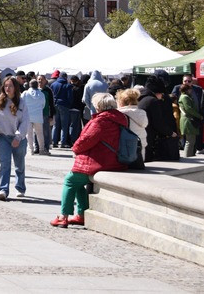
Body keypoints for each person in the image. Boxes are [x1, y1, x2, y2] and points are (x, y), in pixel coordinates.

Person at [51, 93, 129, 227]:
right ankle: (81, 214)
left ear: (99, 106)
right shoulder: (120, 119)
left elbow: (86, 140)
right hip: (114, 160)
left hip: (98, 161)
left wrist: (74, 148)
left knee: (70, 180)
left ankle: (63, 216)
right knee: (79, 183)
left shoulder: (100, 121)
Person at [0, 76, 28, 200]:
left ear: (15, 88)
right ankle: (3, 189)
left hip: (18, 138)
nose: (8, 88)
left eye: (11, 86)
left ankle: (20, 187)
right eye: (6, 86)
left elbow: (25, 121)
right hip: (3, 136)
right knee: (4, 164)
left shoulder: (22, 103)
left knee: (19, 164)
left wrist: (18, 137)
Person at [138, 76, 177, 161]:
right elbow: (158, 123)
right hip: (148, 138)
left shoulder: (141, 98)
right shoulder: (153, 101)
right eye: (161, 93)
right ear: (157, 92)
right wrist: (171, 133)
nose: (162, 95)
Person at [116, 87, 149, 160]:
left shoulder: (119, 114)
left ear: (121, 102)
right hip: (140, 145)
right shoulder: (142, 113)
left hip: (125, 147)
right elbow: (145, 125)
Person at [22, 79, 48, 155]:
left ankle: (31, 150)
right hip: (38, 116)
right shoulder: (41, 94)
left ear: (29, 85)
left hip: (28, 116)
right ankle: (42, 149)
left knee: (29, 134)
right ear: (37, 85)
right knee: (39, 133)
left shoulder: (25, 93)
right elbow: (43, 105)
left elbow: (21, 103)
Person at [50, 70, 73, 148]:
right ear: (66, 77)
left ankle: (54, 141)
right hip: (64, 106)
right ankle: (63, 142)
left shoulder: (53, 84)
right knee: (64, 125)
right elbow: (70, 97)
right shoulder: (68, 85)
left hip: (55, 105)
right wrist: (69, 105)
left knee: (55, 125)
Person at [178, 82, 201, 157]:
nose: (191, 90)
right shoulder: (185, 97)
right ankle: (188, 157)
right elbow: (189, 109)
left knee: (191, 141)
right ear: (187, 90)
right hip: (188, 120)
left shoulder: (184, 96)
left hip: (188, 120)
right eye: (190, 89)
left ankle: (190, 155)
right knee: (190, 141)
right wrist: (199, 116)